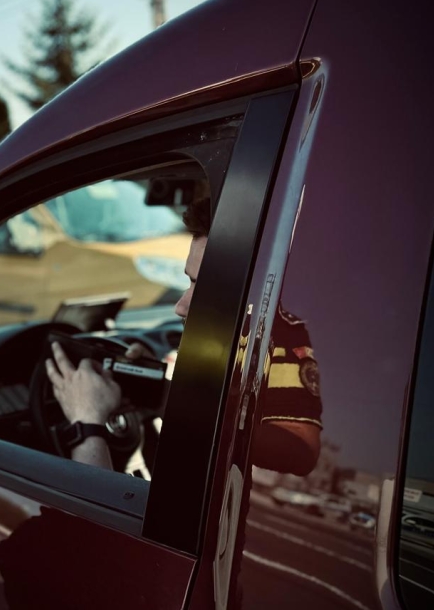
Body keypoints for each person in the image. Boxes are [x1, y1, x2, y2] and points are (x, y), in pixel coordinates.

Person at [45, 196, 322, 474]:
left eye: (206, 289)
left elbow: (301, 451)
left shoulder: (280, 336)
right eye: (189, 281)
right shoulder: (229, 331)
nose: (180, 307)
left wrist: (86, 422)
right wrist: (154, 387)